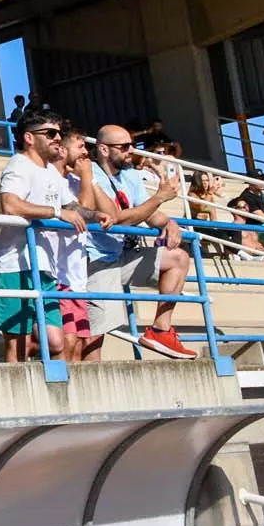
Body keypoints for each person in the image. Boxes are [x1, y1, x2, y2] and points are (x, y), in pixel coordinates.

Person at [0, 109, 101, 363]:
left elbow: (72, 207)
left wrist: (96, 215)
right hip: (10, 266)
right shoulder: (19, 165)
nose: (57, 138)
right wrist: (56, 212)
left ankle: (52, 391)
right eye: (50, 133)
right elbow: (10, 205)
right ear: (29, 138)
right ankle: (17, 394)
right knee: (19, 346)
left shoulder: (50, 172)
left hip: (44, 268)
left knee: (56, 341)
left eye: (58, 133)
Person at [84, 124, 194, 360]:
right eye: (124, 146)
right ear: (104, 149)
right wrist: (159, 197)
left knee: (179, 258)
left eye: (131, 145)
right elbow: (114, 217)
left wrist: (168, 223)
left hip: (122, 254)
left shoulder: (131, 175)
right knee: (95, 335)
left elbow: (148, 212)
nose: (130, 151)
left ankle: (160, 331)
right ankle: (91, 383)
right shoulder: (91, 175)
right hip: (97, 258)